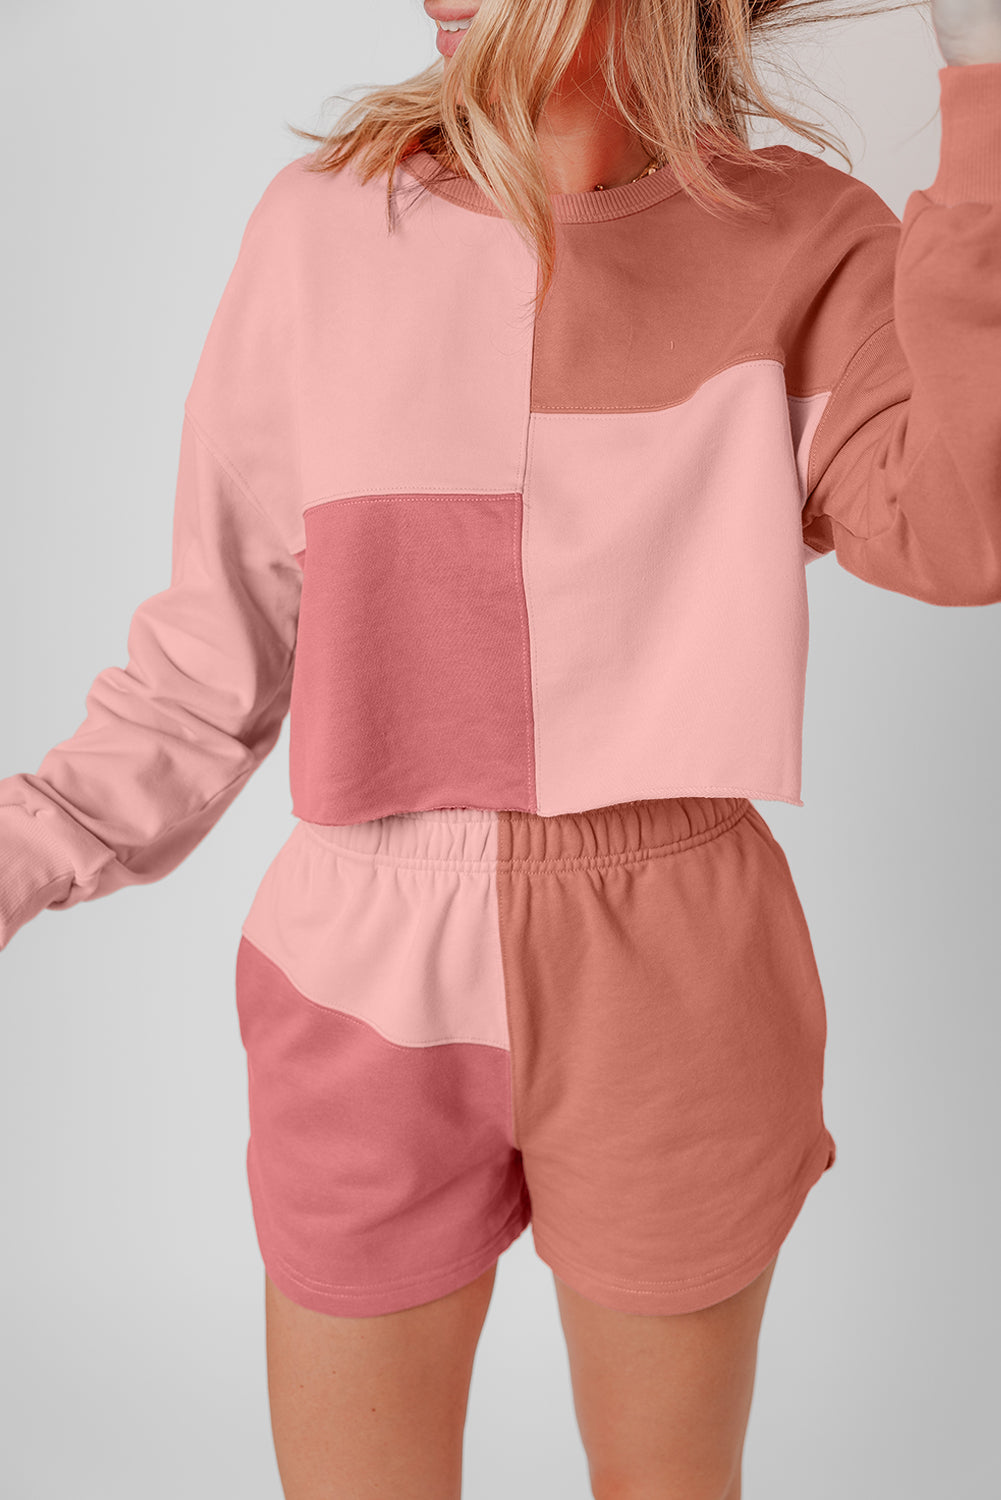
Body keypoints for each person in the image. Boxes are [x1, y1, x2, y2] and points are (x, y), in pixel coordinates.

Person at [2, 0, 1000, 1495]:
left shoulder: (808, 236)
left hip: (676, 962)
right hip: (359, 962)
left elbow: (961, 531)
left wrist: (985, 91)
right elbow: (205, 673)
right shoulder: (321, 229)